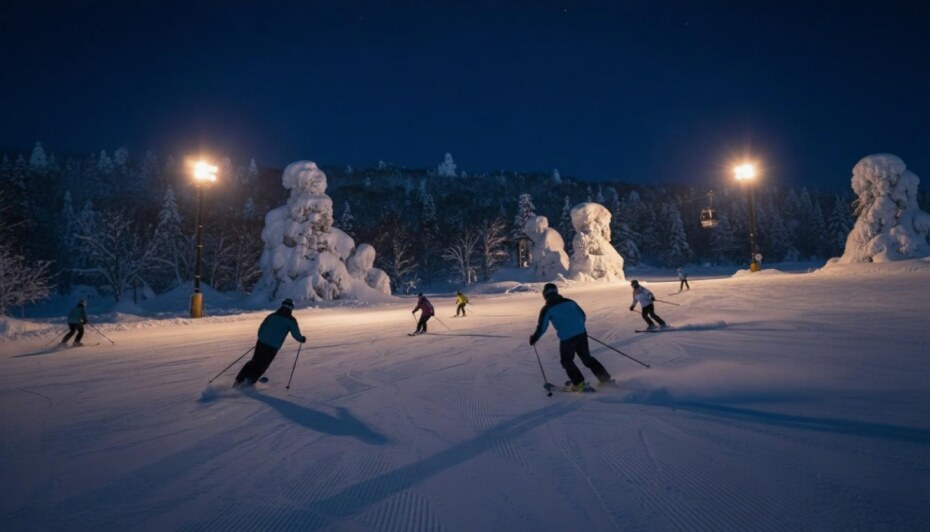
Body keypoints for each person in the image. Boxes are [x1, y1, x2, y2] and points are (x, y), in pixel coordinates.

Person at [529, 283, 613, 391]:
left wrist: (534, 338)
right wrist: (579, 328)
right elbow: (582, 315)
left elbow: (542, 327)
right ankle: (605, 380)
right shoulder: (570, 301)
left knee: (567, 361)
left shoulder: (547, 308)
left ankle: (579, 384)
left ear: (545, 295)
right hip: (581, 334)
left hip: (567, 338)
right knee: (587, 358)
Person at [234, 298, 306, 386]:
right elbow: (295, 334)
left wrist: (261, 338)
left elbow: (262, 327)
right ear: (291, 308)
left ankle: (239, 379)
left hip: (261, 342)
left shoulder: (272, 315)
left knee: (254, 361)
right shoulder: (291, 320)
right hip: (273, 346)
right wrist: (301, 339)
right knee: (263, 364)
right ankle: (250, 381)